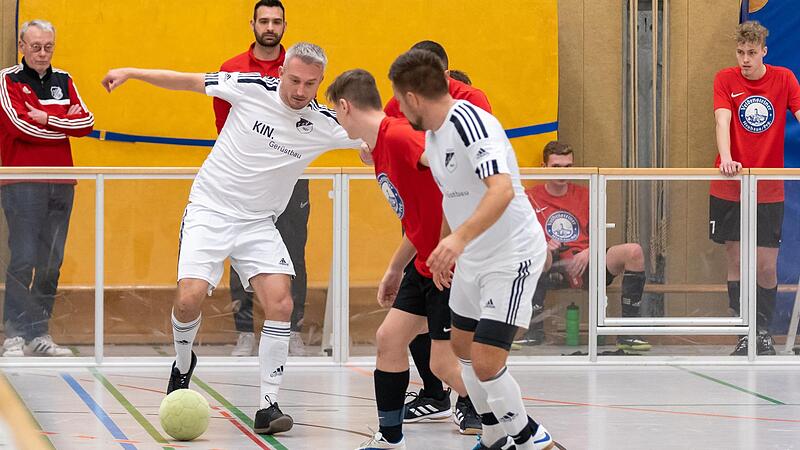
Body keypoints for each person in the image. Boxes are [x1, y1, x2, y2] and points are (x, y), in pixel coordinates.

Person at [101, 42, 361, 434]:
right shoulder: (250, 87)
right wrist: (132, 71)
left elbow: (373, 139)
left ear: (320, 83)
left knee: (280, 302)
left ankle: (268, 405)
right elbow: (187, 81)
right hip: (210, 210)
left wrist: (382, 151)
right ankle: (184, 362)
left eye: (310, 84)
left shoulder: (324, 123)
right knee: (188, 299)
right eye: (293, 80)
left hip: (258, 223)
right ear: (281, 74)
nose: (300, 91)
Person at [389, 49, 555, 450]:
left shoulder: (470, 123)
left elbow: (500, 190)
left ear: (412, 97)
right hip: (471, 259)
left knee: (485, 360)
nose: (397, 107)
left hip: (510, 255)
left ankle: (535, 439)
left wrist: (457, 240)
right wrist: (446, 249)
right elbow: (454, 195)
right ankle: (495, 432)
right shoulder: (433, 134)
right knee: (461, 348)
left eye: (397, 99)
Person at [325, 69, 481, 449]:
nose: (337, 120)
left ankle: (517, 425)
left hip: (449, 268)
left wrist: (449, 244)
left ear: (346, 107)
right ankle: (390, 439)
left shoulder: (398, 137)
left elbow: (456, 173)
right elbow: (417, 219)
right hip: (422, 264)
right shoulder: (380, 148)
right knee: (389, 339)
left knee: (443, 365)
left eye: (336, 112)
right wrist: (396, 268)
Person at [383, 40, 493, 427]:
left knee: (460, 340)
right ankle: (433, 396)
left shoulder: (470, 105)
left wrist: (457, 239)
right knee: (401, 326)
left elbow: (478, 180)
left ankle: (483, 406)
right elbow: (387, 136)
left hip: (464, 229)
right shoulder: (399, 106)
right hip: (428, 225)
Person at [214, 0, 310, 357]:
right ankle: (243, 332)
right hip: (243, 179)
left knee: (292, 251)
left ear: (285, 25)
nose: (270, 27)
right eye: (264, 21)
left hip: (290, 176)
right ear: (252, 23)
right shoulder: (232, 69)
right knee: (239, 250)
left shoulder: (298, 68)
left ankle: (292, 330)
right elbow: (223, 124)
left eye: (277, 22)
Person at [0, 20, 94, 357]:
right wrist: (61, 120)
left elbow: (87, 123)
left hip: (61, 182)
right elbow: (18, 125)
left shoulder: (64, 80)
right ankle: (14, 333)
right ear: (22, 46)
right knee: (23, 258)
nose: (42, 53)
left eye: (48, 47)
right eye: (36, 46)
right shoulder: (7, 80)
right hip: (22, 182)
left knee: (51, 262)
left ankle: (39, 332)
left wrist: (48, 117)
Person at [708, 21, 800, 356]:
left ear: (763, 51)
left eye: (751, 52)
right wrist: (728, 159)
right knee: (736, 259)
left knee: (765, 264)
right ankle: (743, 331)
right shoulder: (725, 78)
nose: (745, 59)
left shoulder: (784, 78)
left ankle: (763, 330)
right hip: (731, 185)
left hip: (768, 186)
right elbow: (722, 120)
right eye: (740, 52)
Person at [520, 141, 649, 351]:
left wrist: (590, 251)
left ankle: (628, 332)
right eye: (556, 167)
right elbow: (520, 237)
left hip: (586, 262)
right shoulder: (529, 197)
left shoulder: (586, 193)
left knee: (634, 251)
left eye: (568, 167)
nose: (563, 173)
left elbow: (600, 230)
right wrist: (544, 245)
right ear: (544, 168)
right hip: (550, 266)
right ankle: (534, 330)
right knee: (539, 252)